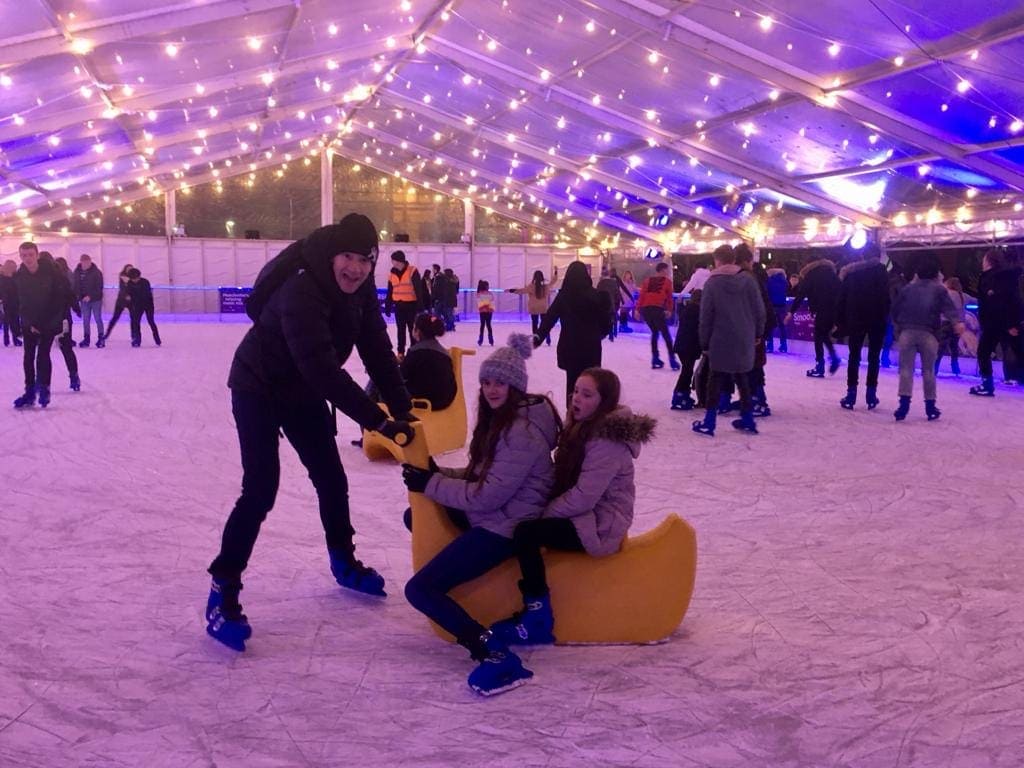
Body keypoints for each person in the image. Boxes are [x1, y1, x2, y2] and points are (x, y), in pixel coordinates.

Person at [205, 215, 416, 652]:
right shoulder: (301, 289)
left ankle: (343, 559)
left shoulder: (360, 294)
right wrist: (378, 422)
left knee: (331, 478)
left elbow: (377, 349)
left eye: (364, 259)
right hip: (258, 385)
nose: (355, 268)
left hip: (302, 391)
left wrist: (404, 411)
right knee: (260, 489)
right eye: (348, 257)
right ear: (332, 254)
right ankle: (223, 587)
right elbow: (323, 371)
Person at [401, 334, 561, 696]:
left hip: (506, 526)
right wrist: (438, 474)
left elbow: (486, 495)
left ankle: (491, 653)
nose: (491, 389)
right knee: (417, 519)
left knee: (420, 589)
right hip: (496, 515)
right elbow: (481, 474)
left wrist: (430, 485)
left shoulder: (520, 432)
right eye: (486, 382)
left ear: (516, 386)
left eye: (500, 382)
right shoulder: (504, 421)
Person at [488, 368, 655, 647]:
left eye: (587, 394)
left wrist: (544, 512)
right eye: (575, 391)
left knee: (527, 533)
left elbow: (584, 497)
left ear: (604, 402)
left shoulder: (607, 441)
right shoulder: (581, 427)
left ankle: (537, 619)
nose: (576, 399)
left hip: (601, 523)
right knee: (522, 518)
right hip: (583, 513)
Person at [692, 245, 765, 436]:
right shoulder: (748, 281)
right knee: (743, 378)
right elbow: (759, 310)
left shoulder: (712, 283)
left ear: (717, 260)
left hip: (720, 338)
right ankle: (748, 418)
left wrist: (704, 341)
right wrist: (757, 334)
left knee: (715, 379)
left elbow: (706, 315)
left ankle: (709, 421)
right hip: (744, 337)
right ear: (733, 259)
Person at [890, 257, 964, 421]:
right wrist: (957, 322)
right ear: (935, 273)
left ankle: (903, 404)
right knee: (928, 371)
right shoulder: (939, 290)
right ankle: (930, 407)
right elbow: (949, 309)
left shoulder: (907, 289)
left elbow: (894, 310)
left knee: (906, 370)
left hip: (907, 332)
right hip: (929, 334)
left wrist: (898, 328)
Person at [534, 261, 611, 408]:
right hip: (591, 348)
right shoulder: (596, 296)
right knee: (592, 384)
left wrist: (538, 337)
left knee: (573, 386)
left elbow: (550, 318)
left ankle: (572, 418)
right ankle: (591, 417)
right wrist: (600, 334)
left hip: (570, 348)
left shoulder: (564, 297)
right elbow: (606, 322)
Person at [835, 245, 890, 410]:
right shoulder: (882, 273)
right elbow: (886, 298)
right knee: (874, 358)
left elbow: (841, 300)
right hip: (877, 320)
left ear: (861, 257)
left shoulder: (851, 274)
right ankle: (871, 394)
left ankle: (851, 394)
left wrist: (840, 321)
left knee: (854, 356)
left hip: (856, 319)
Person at [12, 242, 65, 408]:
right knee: (28, 357)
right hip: (29, 323)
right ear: (20, 256)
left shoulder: (50, 273)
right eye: (24, 255)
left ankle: (44, 388)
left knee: (43, 355)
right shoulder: (20, 277)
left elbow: (57, 300)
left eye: (30, 254)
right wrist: (29, 323)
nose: (27, 258)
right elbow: (22, 303)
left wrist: (44, 323)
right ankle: (29, 392)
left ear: (37, 255)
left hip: (48, 322)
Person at [969, 249, 1024, 397]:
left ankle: (987, 385)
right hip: (1001, 323)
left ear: (988, 261)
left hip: (996, 323)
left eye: (984, 259)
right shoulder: (1003, 277)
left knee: (984, 352)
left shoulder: (994, 278)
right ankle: (987, 384)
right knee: (1016, 351)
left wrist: (1010, 325)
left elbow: (1001, 302)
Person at [735, 244, 775, 416]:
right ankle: (751, 396)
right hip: (755, 326)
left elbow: (757, 307)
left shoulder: (748, 278)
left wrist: (757, 332)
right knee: (749, 365)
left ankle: (760, 400)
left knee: (753, 365)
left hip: (754, 328)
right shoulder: (752, 276)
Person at [785, 257, 842, 377]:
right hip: (834, 310)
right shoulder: (832, 274)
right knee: (824, 335)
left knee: (818, 336)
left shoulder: (811, 274)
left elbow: (801, 294)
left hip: (822, 309)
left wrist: (791, 312)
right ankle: (833, 357)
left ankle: (820, 366)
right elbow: (841, 292)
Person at [43, 253, 81, 392]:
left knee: (56, 349)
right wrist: (76, 309)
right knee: (60, 349)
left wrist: (76, 308)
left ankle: (73, 376)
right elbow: (71, 295)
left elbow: (70, 295)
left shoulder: (59, 278)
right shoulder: (60, 278)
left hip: (60, 319)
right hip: (54, 319)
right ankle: (73, 376)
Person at [384, 250, 427, 355]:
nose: (393, 262)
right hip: (399, 306)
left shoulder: (412, 271)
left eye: (394, 260)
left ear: (400, 261)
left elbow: (418, 289)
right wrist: (388, 306)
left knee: (413, 329)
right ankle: (400, 352)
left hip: (411, 305)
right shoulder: (391, 274)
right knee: (400, 330)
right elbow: (390, 291)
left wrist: (420, 306)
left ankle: (414, 350)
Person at [637, 262, 677, 370]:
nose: (668, 272)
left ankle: (655, 358)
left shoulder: (647, 281)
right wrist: (669, 310)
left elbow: (642, 296)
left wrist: (637, 309)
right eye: (667, 270)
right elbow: (669, 298)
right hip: (657, 309)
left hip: (646, 310)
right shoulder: (667, 282)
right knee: (666, 334)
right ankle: (672, 359)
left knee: (655, 332)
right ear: (663, 270)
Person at [670, 289, 701, 410]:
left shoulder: (686, 310)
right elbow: (697, 331)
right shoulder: (698, 312)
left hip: (681, 345)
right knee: (687, 371)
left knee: (687, 370)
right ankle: (680, 394)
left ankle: (682, 394)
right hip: (690, 346)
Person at [509, 269, 552, 345]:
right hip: (543, 308)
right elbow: (553, 282)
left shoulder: (531, 286)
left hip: (534, 308)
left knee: (535, 324)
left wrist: (512, 290)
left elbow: (521, 291)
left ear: (534, 277)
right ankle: (547, 337)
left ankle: (536, 340)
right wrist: (555, 272)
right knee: (544, 323)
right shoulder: (546, 287)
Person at [935, 277, 968, 376]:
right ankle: (955, 368)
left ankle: (934, 368)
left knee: (941, 347)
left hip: (946, 322)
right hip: (958, 324)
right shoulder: (961, 295)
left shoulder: (945, 293)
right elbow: (975, 300)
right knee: (954, 347)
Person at [73, 254, 105, 348]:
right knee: (85, 320)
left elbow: (99, 287)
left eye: (87, 262)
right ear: (81, 262)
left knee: (97, 318)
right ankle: (86, 338)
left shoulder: (96, 272)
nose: (86, 264)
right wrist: (79, 296)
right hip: (83, 300)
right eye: (84, 262)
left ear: (90, 261)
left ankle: (101, 338)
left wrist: (90, 296)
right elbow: (76, 286)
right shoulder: (77, 272)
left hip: (95, 300)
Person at [125, 268, 161, 347]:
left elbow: (146, 295)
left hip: (148, 305)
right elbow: (127, 293)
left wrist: (133, 298)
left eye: (136, 278)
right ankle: (137, 340)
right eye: (133, 279)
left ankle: (157, 339)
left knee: (151, 321)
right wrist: (128, 298)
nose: (134, 280)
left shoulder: (145, 282)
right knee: (136, 322)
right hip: (137, 306)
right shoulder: (129, 283)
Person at [100, 264, 134, 342]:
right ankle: (107, 334)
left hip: (131, 301)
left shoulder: (133, 278)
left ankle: (134, 335)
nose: (129, 270)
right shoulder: (122, 277)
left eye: (130, 269)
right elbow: (122, 288)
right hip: (121, 301)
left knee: (133, 319)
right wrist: (126, 295)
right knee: (115, 318)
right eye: (128, 269)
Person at [765, 266, 789, 353]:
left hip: (772, 305)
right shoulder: (784, 281)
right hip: (782, 305)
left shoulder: (770, 280)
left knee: (770, 326)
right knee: (782, 326)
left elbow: (766, 291)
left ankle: (769, 345)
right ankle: (784, 345)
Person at [1, 259, 24, 347]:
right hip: (12, 302)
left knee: (7, 321)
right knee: (14, 321)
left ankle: (7, 340)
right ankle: (15, 339)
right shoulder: (13, 278)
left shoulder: (2, 278)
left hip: (6, 302)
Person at [596, 266, 622, 341]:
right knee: (612, 318)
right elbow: (617, 294)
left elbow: (598, 293)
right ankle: (613, 333)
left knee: (606, 318)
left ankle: (607, 332)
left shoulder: (600, 283)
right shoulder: (613, 283)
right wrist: (618, 302)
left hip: (603, 305)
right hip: (612, 303)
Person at [476, 279, 495, 346]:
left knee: (482, 325)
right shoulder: (489, 294)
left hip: (483, 312)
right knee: (488, 325)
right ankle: (491, 340)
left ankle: (480, 340)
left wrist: (484, 307)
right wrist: (490, 308)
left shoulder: (479, 294)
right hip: (488, 312)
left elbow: (480, 303)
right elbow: (492, 302)